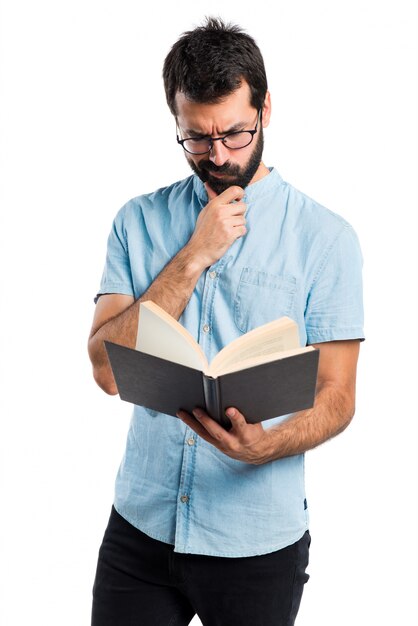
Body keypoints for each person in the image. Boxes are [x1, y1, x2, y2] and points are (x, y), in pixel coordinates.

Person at [88, 17, 364, 626]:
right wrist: (193, 255)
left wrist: (265, 447)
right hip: (141, 528)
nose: (218, 156)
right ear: (177, 124)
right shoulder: (137, 222)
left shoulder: (327, 240)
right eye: (196, 139)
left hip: (256, 542)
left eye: (236, 133)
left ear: (266, 108)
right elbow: (106, 369)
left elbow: (339, 396)